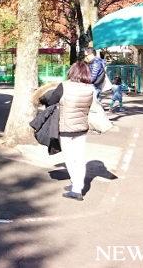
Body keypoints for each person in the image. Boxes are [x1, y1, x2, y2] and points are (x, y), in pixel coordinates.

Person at [44, 62, 95, 201]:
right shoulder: (90, 88)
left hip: (66, 127)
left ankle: (76, 189)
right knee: (79, 158)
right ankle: (76, 184)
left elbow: (51, 101)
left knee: (69, 158)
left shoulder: (65, 86)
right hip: (82, 127)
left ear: (72, 72)